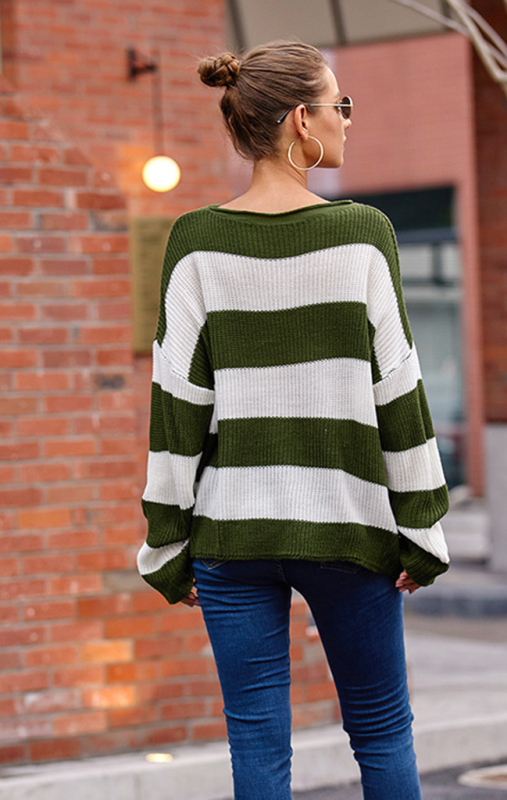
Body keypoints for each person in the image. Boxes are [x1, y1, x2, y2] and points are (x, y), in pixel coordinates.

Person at [137, 40, 450, 800]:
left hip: (232, 536)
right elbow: (399, 391)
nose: (348, 119)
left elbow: (176, 405)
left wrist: (166, 544)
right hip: (349, 527)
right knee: (381, 732)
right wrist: (422, 526)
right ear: (302, 121)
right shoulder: (364, 234)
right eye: (341, 105)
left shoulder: (195, 242)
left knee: (256, 740)